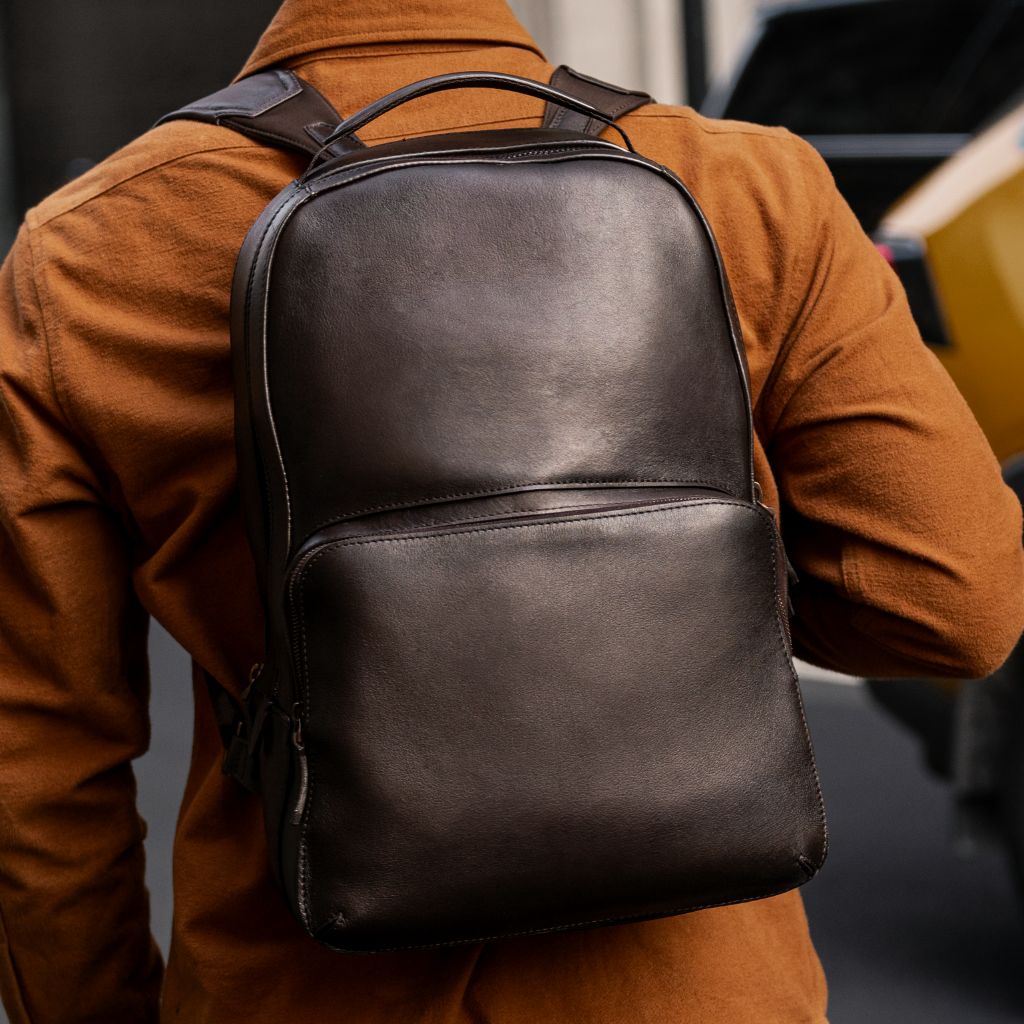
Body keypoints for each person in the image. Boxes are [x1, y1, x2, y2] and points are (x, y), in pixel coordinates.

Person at [0, 1, 1021, 1021]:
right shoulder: (746, 185)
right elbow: (953, 602)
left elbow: (38, 762)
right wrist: (669, 616)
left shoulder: (90, 246)